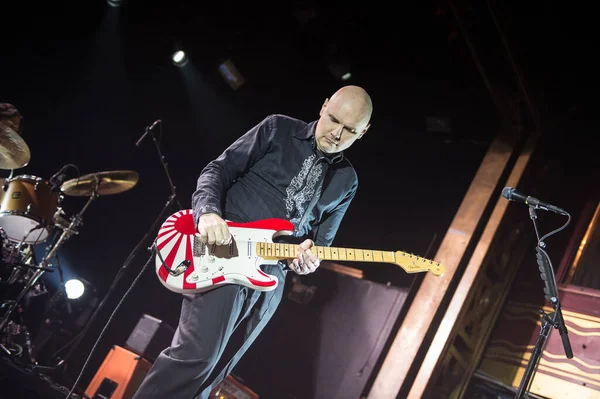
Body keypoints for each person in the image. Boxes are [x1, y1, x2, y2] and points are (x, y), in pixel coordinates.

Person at [132, 85, 373, 399]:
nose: (337, 134)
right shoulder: (278, 128)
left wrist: (309, 260)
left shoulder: (346, 180)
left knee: (216, 370)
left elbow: (320, 244)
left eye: (349, 130)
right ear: (324, 105)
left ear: (363, 132)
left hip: (272, 279)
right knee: (197, 356)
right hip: (226, 248)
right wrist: (207, 213)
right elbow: (217, 170)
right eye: (334, 120)